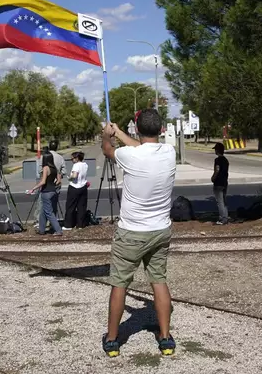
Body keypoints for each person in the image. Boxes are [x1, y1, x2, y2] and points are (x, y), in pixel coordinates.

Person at [101, 109, 177, 358]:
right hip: (160, 230)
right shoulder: (169, 152)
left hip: (131, 232)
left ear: (137, 128)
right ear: (162, 129)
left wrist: (107, 135)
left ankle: (112, 340)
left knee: (119, 284)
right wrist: (120, 132)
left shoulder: (128, 156)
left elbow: (108, 151)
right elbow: (142, 147)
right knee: (159, 280)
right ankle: (165, 338)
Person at [29, 152, 62, 235]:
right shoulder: (55, 168)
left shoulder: (45, 168)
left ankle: (58, 230)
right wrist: (53, 185)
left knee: (49, 212)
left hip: (46, 192)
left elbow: (43, 181)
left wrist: (33, 188)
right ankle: (41, 230)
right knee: (43, 213)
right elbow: (59, 181)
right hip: (53, 191)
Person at [63, 152, 89, 230]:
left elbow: (74, 176)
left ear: (77, 158)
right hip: (83, 186)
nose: (71, 160)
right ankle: (80, 224)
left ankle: (68, 225)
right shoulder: (85, 165)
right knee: (81, 206)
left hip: (74, 187)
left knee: (70, 206)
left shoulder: (76, 165)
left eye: (72, 158)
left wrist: (69, 178)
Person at [211, 142, 229, 225]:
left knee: (220, 202)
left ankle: (222, 219)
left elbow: (217, 170)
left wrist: (213, 178)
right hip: (224, 182)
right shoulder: (226, 160)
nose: (215, 151)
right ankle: (225, 216)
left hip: (218, 183)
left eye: (215, 149)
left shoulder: (217, 160)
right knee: (224, 201)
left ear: (217, 150)